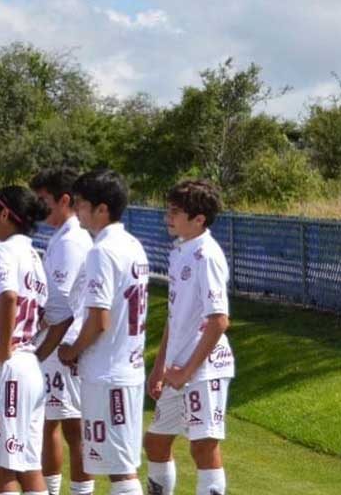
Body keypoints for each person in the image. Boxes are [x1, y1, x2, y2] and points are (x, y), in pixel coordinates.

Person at [58, 169, 149, 495]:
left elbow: (99, 319)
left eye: (82, 204)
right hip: (124, 368)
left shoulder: (102, 251)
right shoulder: (133, 245)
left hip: (110, 372)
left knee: (120, 470)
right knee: (116, 464)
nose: (77, 211)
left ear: (102, 209)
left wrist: (72, 350)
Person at [144, 180, 234, 495]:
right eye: (168, 209)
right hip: (176, 369)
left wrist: (187, 371)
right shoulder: (180, 249)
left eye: (176, 211)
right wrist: (160, 367)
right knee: (155, 442)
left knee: (203, 447)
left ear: (199, 219)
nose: (168, 216)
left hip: (203, 369)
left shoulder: (206, 255)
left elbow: (219, 320)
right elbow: (176, 316)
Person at [0, 186, 50, 495]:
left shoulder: (3, 250)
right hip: (29, 364)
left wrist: (4, 349)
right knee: (28, 464)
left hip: (8, 369)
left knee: (1, 464)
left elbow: (8, 296)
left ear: (5, 214)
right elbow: (48, 313)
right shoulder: (34, 255)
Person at [30, 168, 94, 495]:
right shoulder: (60, 238)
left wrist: (32, 326)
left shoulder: (72, 242)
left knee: (73, 427)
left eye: (44, 201)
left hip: (66, 345)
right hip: (54, 347)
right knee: (48, 423)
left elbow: (61, 304)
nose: (40, 209)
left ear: (64, 200)